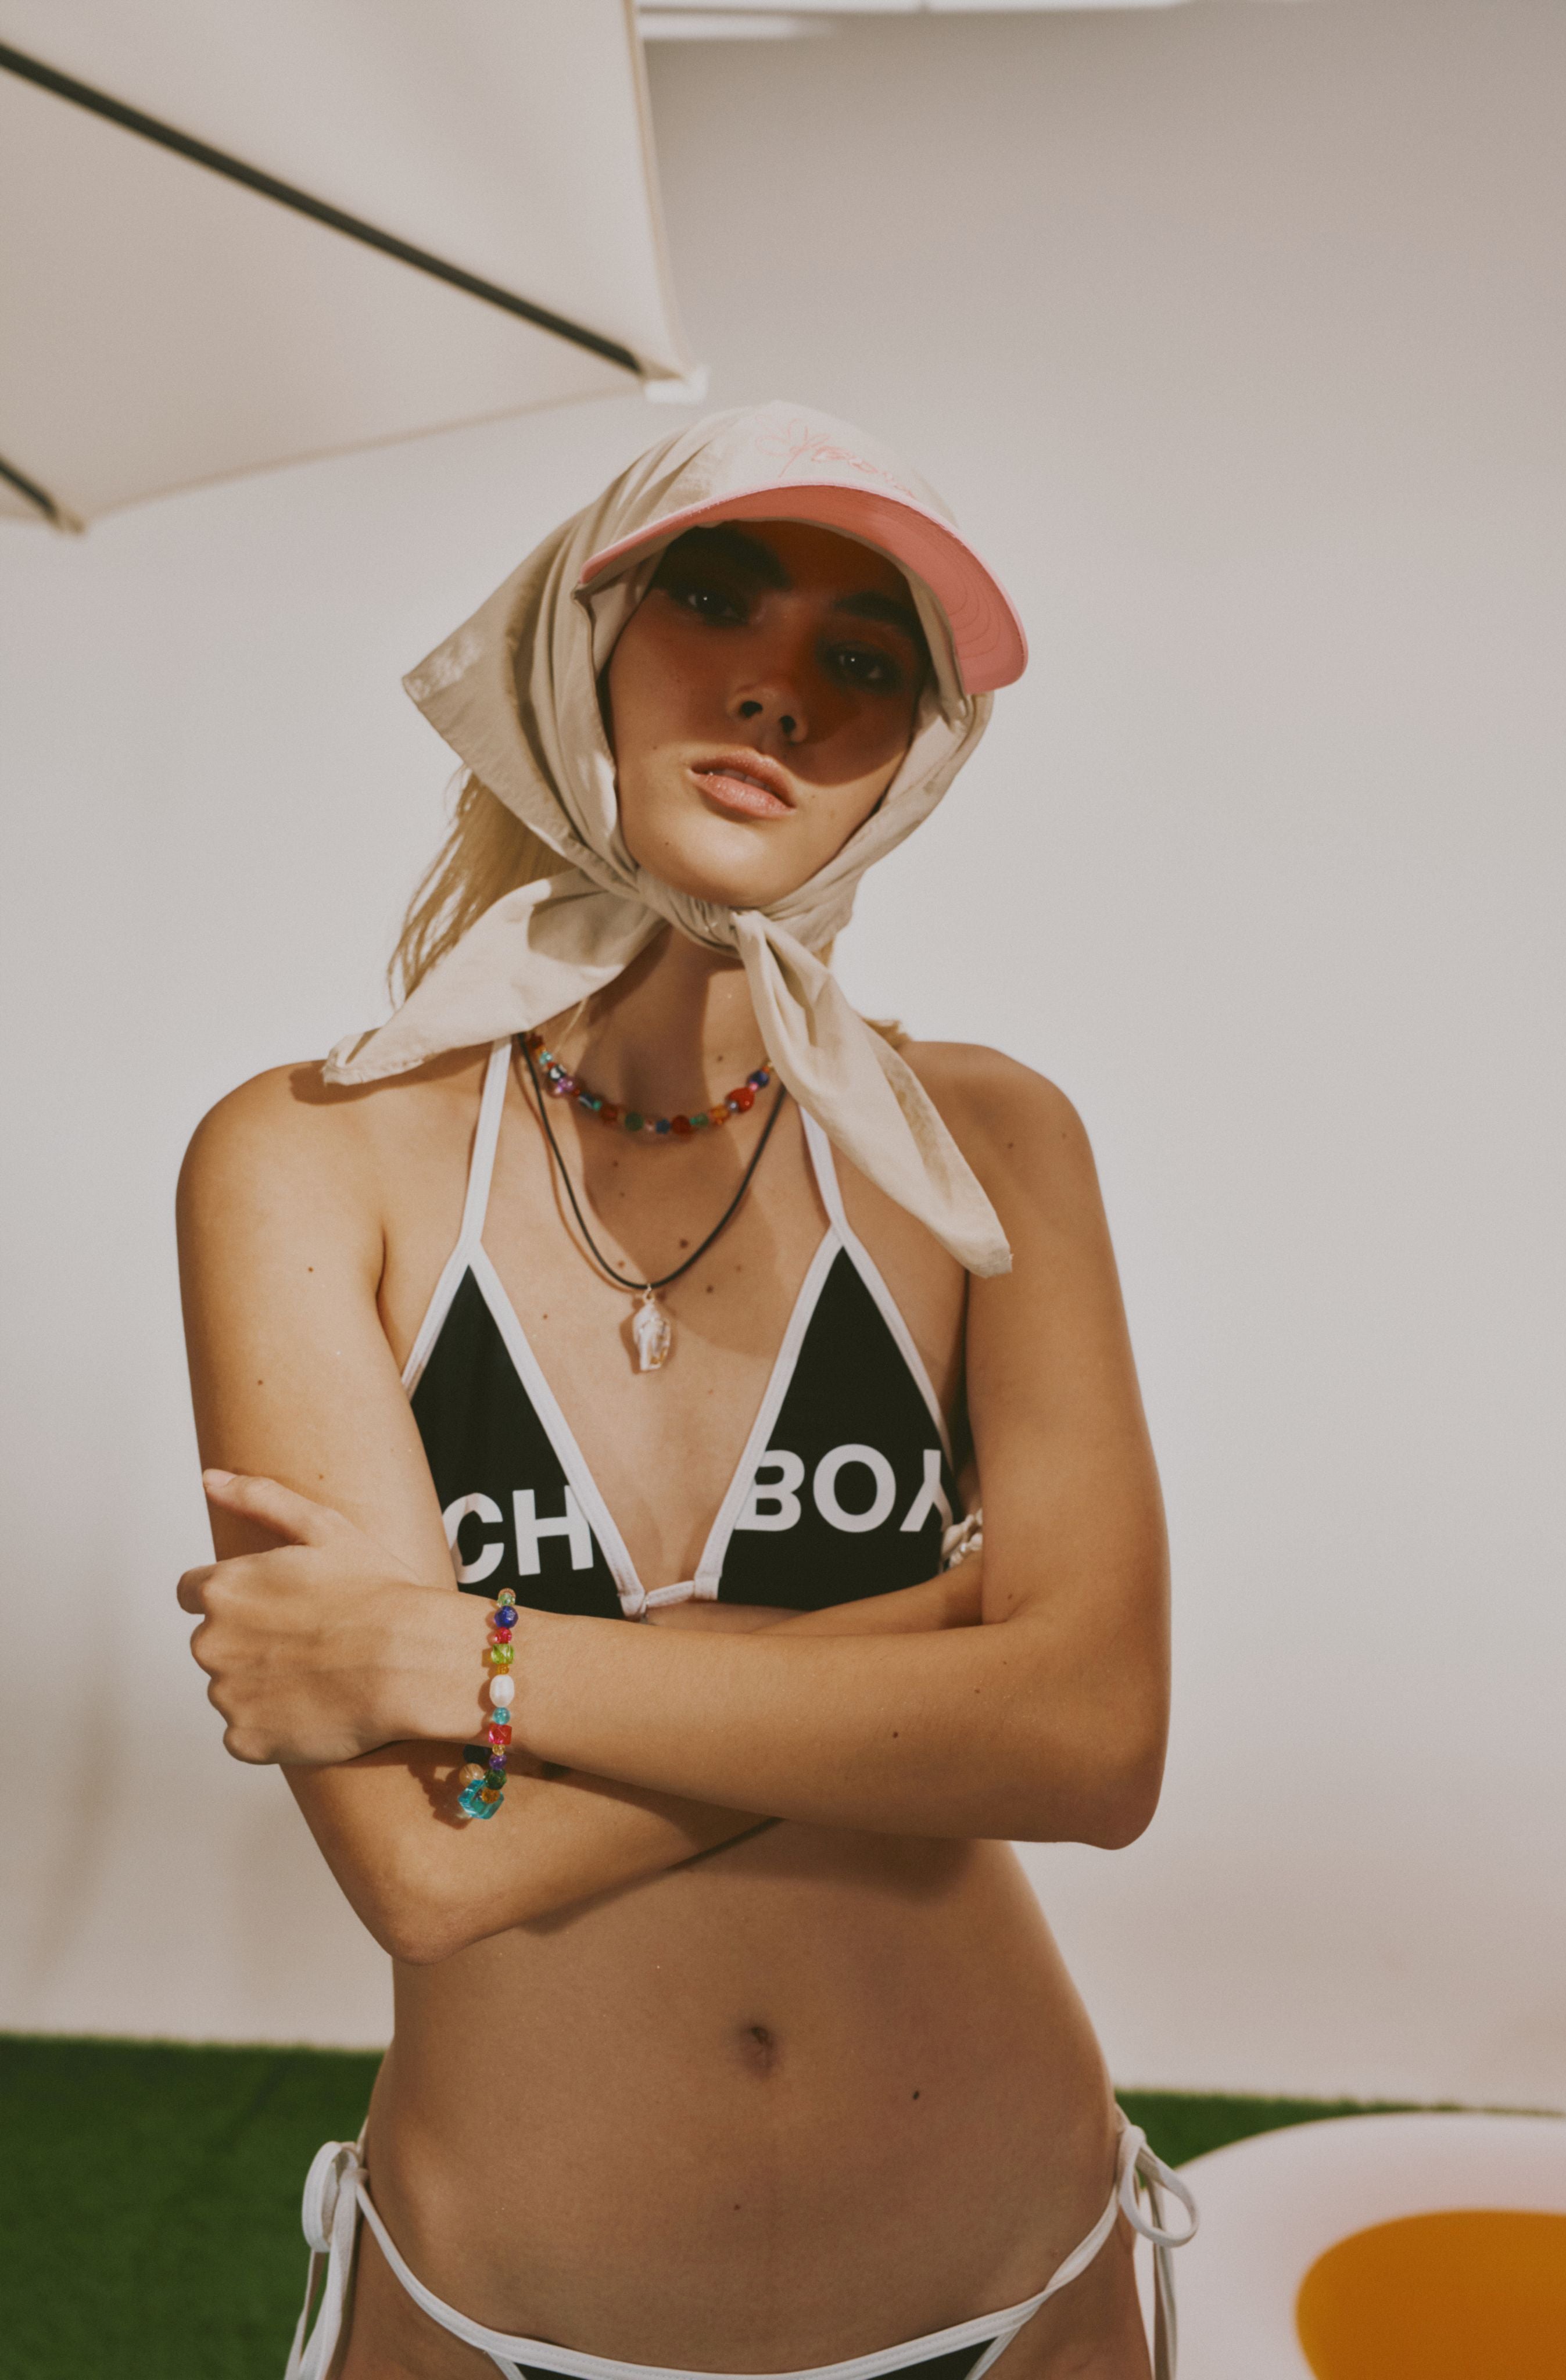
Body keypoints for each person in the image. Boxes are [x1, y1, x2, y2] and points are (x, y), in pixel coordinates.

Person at [176, 402, 1195, 2380]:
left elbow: (1092, 1746)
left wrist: (452, 1657)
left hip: (1015, 2284)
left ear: (912, 752)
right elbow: (428, 1869)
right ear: (577, 642)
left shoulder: (988, 1147)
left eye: (862, 658)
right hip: (496, 2308)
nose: (776, 690)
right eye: (711, 600)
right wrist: (948, 1651)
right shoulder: (305, 1157)